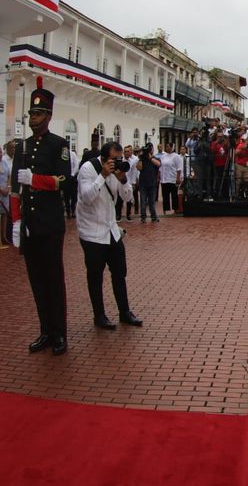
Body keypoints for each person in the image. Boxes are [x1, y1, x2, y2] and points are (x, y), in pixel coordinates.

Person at [10, 77, 72, 355]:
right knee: (36, 280)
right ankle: (45, 330)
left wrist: (35, 180)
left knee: (53, 279)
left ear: (48, 116)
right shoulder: (22, 147)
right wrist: (16, 221)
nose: (33, 118)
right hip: (31, 225)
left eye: (38, 113)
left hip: (50, 224)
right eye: (31, 113)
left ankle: (60, 333)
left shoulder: (58, 145)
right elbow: (15, 189)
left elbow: (65, 181)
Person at [77, 141, 144, 329]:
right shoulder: (88, 169)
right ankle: (99, 316)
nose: (118, 162)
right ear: (104, 158)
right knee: (95, 276)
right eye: (115, 159)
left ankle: (125, 312)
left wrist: (123, 180)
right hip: (91, 232)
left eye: (120, 158)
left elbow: (128, 198)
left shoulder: (118, 171)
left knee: (120, 273)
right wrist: (103, 175)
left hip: (111, 230)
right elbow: (87, 198)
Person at [136, 143, 161, 222]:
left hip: (152, 183)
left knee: (152, 201)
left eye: (150, 148)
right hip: (143, 183)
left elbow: (158, 164)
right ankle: (143, 217)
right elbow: (138, 168)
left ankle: (154, 216)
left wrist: (150, 158)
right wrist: (140, 158)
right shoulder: (142, 159)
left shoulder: (155, 158)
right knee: (143, 201)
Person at [116, 145, 138, 222]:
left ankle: (128, 215)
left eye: (128, 151)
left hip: (129, 183)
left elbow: (134, 172)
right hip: (120, 182)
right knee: (119, 199)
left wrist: (133, 183)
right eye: (125, 151)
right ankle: (118, 215)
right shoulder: (120, 161)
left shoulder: (133, 162)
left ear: (130, 152)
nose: (126, 153)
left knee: (129, 199)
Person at [159, 143, 182, 214]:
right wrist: (159, 176)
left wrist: (178, 178)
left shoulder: (176, 156)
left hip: (173, 179)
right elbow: (160, 167)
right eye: (166, 146)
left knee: (174, 195)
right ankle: (165, 210)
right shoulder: (163, 156)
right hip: (164, 179)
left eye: (168, 147)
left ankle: (175, 209)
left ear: (172, 147)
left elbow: (179, 168)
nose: (167, 148)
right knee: (165, 195)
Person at [0, 146, 10, 248]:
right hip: (0, 192)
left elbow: (9, 177)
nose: (0, 154)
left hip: (5, 193)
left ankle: (3, 237)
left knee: (4, 214)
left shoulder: (4, 163)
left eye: (0, 152)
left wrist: (8, 188)